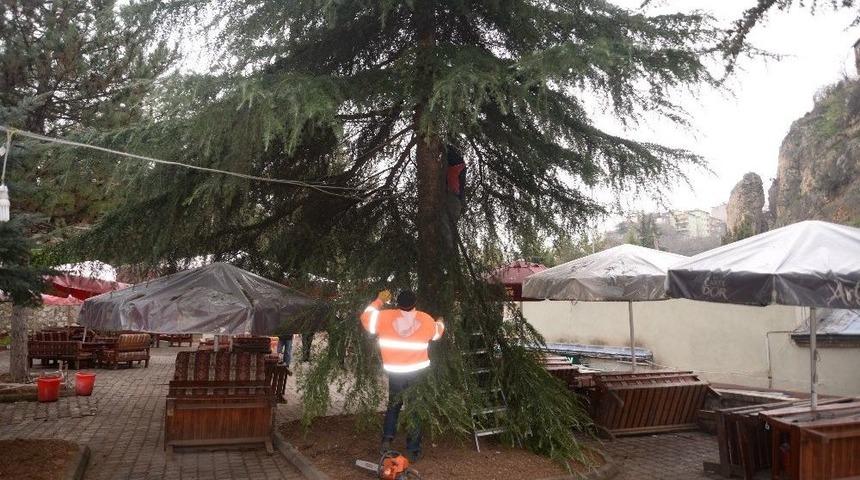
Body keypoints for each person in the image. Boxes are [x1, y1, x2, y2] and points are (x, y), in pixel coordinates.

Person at [359, 289, 445, 462]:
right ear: (415, 303)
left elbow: (366, 318)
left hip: (395, 372)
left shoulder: (384, 317)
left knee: (394, 406)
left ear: (398, 303)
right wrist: (441, 322)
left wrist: (379, 300)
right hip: (416, 373)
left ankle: (387, 440)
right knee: (414, 409)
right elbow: (437, 334)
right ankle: (413, 450)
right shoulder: (426, 319)